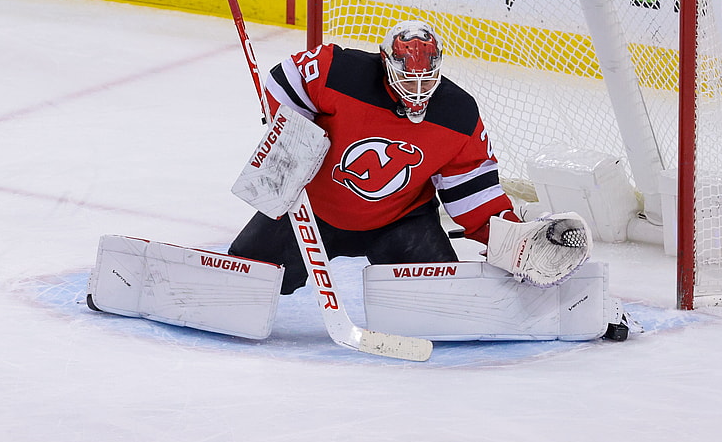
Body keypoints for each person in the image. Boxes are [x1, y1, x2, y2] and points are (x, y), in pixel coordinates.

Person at [228, 19, 584, 294]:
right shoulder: (340, 72)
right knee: (245, 277)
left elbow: (473, 189)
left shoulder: (457, 114)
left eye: (427, 80)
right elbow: (283, 82)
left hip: (398, 222)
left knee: (441, 296)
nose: (417, 89)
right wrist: (292, 130)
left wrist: (511, 239)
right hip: (310, 212)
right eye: (406, 78)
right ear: (386, 62)